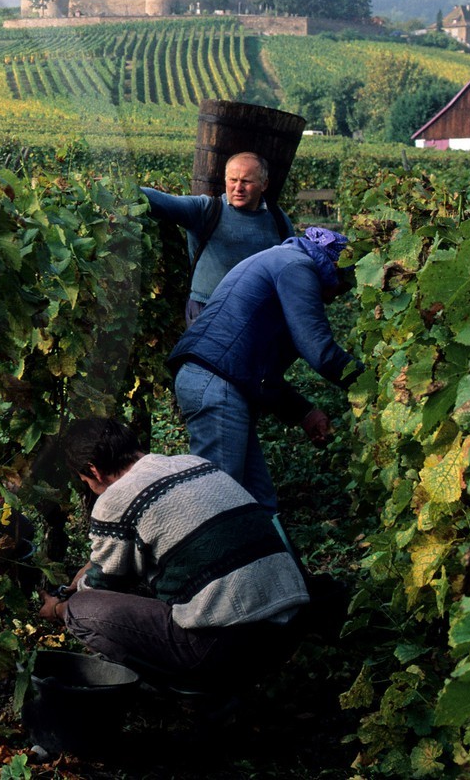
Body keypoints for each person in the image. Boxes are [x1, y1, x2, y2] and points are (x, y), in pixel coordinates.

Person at [37, 417, 308, 681]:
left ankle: (185, 688)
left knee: (82, 609)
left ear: (93, 471)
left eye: (85, 481)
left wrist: (60, 607)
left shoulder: (114, 499)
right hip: (290, 629)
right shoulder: (195, 463)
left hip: (226, 647)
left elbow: (104, 585)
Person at [167, 227, 361, 516]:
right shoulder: (297, 267)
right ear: (333, 266)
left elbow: (253, 365)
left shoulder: (284, 259)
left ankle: (272, 561)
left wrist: (304, 412)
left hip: (218, 380)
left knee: (258, 503)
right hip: (215, 382)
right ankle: (184, 559)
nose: (334, 297)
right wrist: (371, 384)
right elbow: (319, 351)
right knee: (220, 508)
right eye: (342, 286)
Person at [141, 151, 293, 323]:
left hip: (258, 313)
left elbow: (290, 264)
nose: (238, 188)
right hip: (207, 309)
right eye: (233, 180)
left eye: (246, 181)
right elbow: (160, 201)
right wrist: (127, 191)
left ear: (263, 184)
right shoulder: (206, 210)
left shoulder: (278, 219)